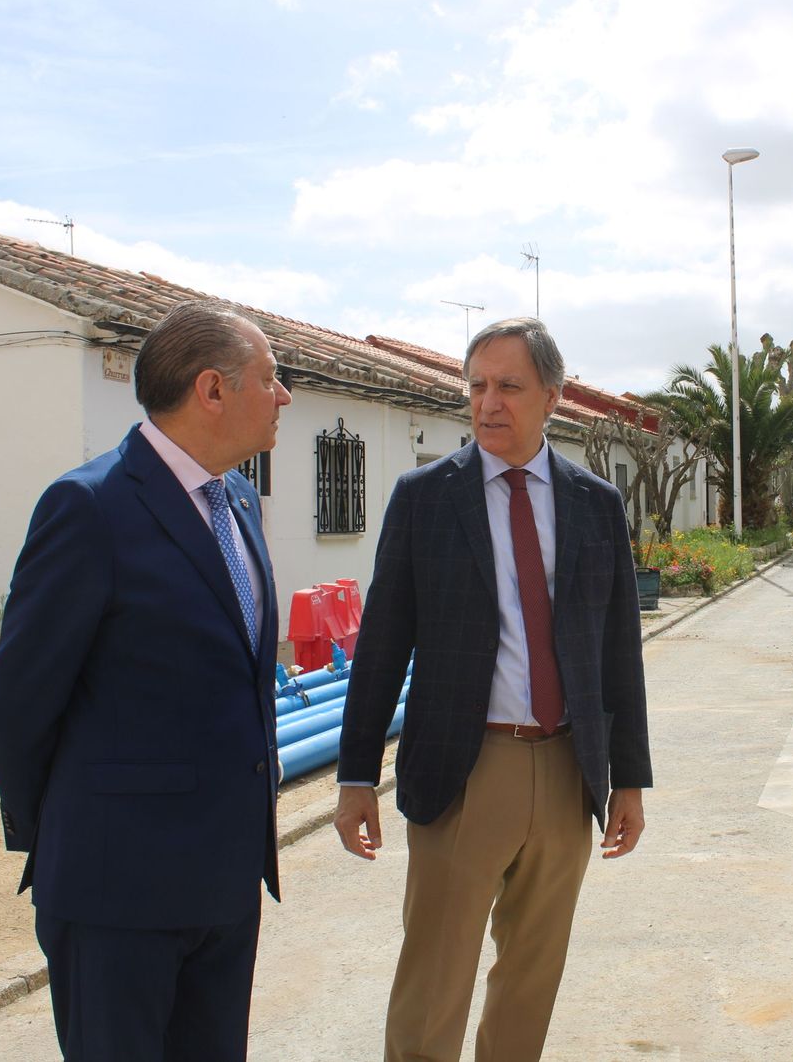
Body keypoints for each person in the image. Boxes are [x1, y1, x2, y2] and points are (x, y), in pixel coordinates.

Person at [0, 299, 292, 1061]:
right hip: (115, 891)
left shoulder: (237, 500)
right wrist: (66, 829)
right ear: (212, 390)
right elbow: (15, 702)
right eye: (269, 378)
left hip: (224, 884)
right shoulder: (90, 507)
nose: (283, 396)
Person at [335, 316, 652, 1062]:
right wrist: (356, 775)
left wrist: (630, 779)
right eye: (476, 386)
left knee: (530, 981)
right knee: (434, 982)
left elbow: (618, 652)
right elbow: (382, 646)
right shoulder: (425, 498)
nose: (488, 402)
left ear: (552, 396)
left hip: (569, 770)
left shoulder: (595, 503)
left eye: (509, 386)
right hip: (464, 769)